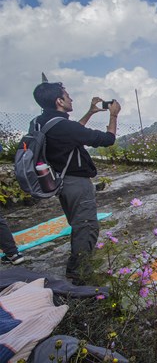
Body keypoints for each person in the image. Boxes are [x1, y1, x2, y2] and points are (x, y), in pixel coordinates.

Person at [32, 79, 120, 285]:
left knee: (78, 223)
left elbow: (70, 134)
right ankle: (80, 274)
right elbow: (108, 139)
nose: (70, 98)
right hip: (75, 182)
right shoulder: (63, 126)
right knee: (86, 225)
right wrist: (114, 115)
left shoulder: (40, 122)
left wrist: (89, 113)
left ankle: (76, 269)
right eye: (67, 94)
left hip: (59, 179)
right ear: (59, 101)